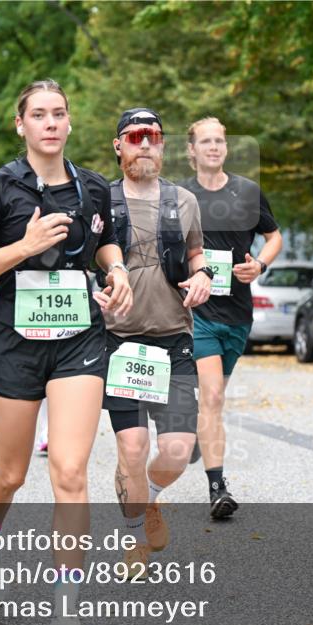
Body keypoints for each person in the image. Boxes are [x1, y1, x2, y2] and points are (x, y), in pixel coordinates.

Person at [0, 79, 131, 625]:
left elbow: (107, 244)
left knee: (71, 471)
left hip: (78, 336)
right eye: (39, 114)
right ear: (21, 125)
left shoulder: (95, 187)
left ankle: (66, 617)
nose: (50, 122)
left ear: (70, 124)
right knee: (11, 472)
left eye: (59, 113)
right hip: (13, 340)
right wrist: (23, 248)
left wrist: (118, 272)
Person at [102, 107, 212, 576]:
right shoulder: (100, 201)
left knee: (176, 451)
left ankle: (148, 495)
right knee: (132, 447)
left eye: (154, 136)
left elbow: (195, 253)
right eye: (135, 136)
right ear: (119, 145)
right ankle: (132, 542)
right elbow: (83, 260)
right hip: (119, 341)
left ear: (163, 145)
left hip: (174, 339)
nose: (145, 144)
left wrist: (203, 274)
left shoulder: (184, 200)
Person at [180, 117, 283, 519]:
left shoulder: (247, 191)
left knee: (211, 401)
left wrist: (259, 264)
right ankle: (217, 487)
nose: (213, 147)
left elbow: (274, 236)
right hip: (196, 312)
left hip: (238, 314)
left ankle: (194, 429)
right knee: (214, 397)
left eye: (219, 141)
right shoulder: (179, 195)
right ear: (191, 151)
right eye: (205, 141)